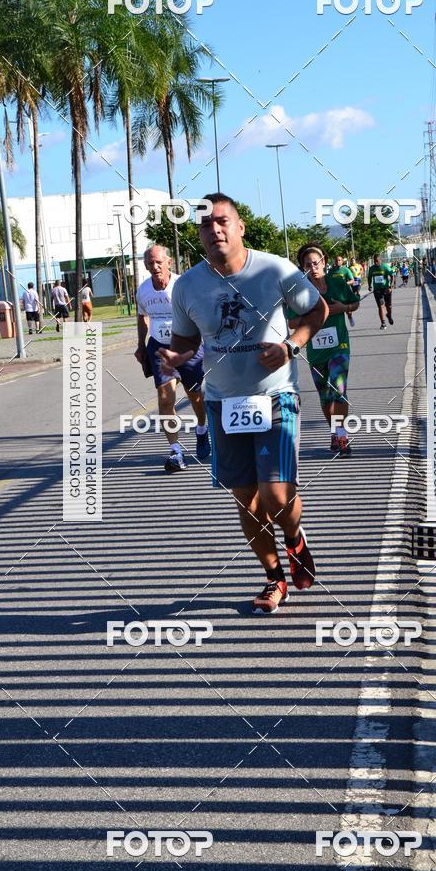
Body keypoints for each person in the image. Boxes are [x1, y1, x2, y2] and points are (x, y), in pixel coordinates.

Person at [159, 193, 328, 614]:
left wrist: (291, 345)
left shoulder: (274, 269)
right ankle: (274, 579)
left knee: (275, 495)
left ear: (239, 227)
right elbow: (186, 338)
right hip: (224, 404)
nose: (214, 229)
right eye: (206, 225)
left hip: (274, 396)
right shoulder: (188, 285)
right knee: (247, 501)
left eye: (222, 221)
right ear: (198, 234)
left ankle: (294, 540)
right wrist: (179, 356)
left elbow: (317, 310)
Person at [135, 245, 210, 472]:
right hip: (158, 347)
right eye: (150, 263)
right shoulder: (143, 290)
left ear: (169, 262)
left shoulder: (183, 285)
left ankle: (202, 428)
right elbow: (142, 317)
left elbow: (200, 314)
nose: (154, 267)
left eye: (158, 262)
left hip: (187, 345)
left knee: (195, 395)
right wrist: (140, 345)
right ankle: (176, 451)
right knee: (165, 399)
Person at [289, 244, 360, 457]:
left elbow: (354, 303)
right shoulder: (299, 290)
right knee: (325, 396)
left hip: (340, 346)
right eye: (308, 264)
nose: (314, 266)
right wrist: (317, 314)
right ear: (303, 268)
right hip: (316, 350)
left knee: (338, 389)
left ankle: (342, 434)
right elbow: (292, 322)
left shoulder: (337, 282)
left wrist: (343, 308)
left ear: (324, 262)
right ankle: (335, 432)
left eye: (317, 262)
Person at [367, 253, 395, 330]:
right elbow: (369, 277)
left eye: (377, 261)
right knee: (381, 305)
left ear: (380, 260)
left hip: (386, 289)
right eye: (374, 261)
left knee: (388, 306)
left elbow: (392, 275)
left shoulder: (385, 266)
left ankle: (389, 315)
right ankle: (383, 323)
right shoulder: (372, 268)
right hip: (377, 290)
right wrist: (369, 285)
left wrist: (390, 286)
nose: (375, 263)